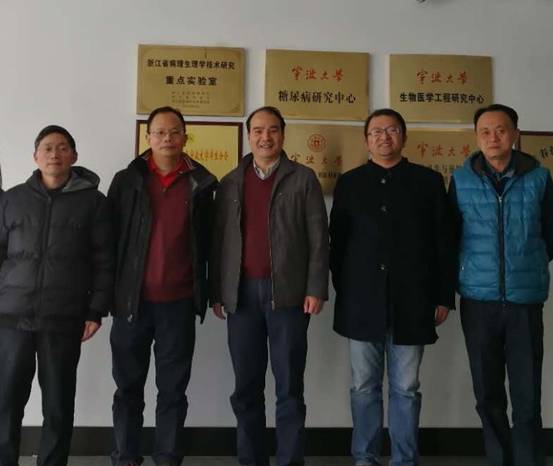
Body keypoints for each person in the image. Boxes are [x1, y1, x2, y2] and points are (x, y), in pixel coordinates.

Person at [329, 108, 455, 466]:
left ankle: (404, 459)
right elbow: (337, 244)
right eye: (376, 131)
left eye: (392, 130)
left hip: (413, 301)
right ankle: (365, 458)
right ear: (366, 140)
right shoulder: (350, 183)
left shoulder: (429, 181)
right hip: (361, 303)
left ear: (404, 137)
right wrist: (347, 291)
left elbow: (443, 244)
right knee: (363, 386)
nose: (384, 137)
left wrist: (443, 295)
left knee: (406, 388)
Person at [210, 106, 329, 466]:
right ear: (249, 136)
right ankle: (252, 459)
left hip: (289, 295)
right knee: (246, 386)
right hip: (241, 295)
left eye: (273, 130)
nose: (266, 137)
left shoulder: (302, 178)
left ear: (283, 134)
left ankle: (290, 459)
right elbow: (219, 242)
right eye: (258, 130)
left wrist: (316, 287)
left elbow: (319, 238)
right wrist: (218, 292)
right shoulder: (230, 182)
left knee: (289, 385)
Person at [108, 106, 217, 466]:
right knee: (128, 387)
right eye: (159, 132)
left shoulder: (202, 184)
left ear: (185, 137)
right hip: (132, 303)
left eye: (174, 132)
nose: (167, 138)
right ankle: (126, 456)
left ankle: (168, 457)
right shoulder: (127, 181)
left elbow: (212, 244)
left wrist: (212, 293)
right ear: (148, 137)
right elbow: (110, 240)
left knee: (172, 389)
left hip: (179, 303)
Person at [0, 125, 113, 466]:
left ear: (74, 156)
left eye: (62, 147)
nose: (54, 154)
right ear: (35, 156)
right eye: (47, 148)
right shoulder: (12, 199)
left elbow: (105, 261)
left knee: (58, 403)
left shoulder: (94, 203)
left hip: (63, 317)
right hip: (12, 318)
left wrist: (95, 311)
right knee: (6, 401)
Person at [449, 104, 553, 466]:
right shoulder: (461, 180)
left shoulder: (539, 178)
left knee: (527, 394)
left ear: (515, 134)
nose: (493, 137)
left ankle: (528, 460)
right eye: (485, 131)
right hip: (478, 301)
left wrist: (529, 263)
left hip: (524, 301)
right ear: (476, 137)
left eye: (501, 130)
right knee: (487, 392)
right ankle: (499, 459)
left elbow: (550, 234)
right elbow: (451, 236)